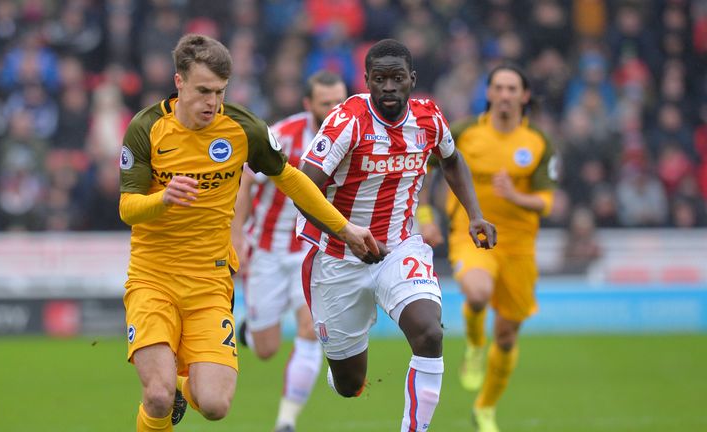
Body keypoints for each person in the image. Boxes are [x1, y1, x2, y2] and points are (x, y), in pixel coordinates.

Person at [118, 34, 381, 432]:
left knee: (215, 405)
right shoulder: (146, 128)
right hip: (153, 279)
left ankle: (180, 385)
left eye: (220, 92)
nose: (212, 102)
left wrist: (344, 229)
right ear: (179, 82)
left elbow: (291, 179)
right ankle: (166, 390)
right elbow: (127, 207)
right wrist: (163, 200)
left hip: (209, 284)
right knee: (156, 395)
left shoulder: (243, 128)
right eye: (203, 91)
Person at [297, 39, 496, 432]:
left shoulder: (429, 118)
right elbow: (304, 189)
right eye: (380, 79)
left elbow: (452, 160)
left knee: (428, 332)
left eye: (397, 78)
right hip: (339, 256)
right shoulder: (346, 121)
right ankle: (342, 370)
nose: (389, 86)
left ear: (412, 80)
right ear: (367, 80)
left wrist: (475, 214)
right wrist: (348, 232)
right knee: (350, 385)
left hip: (399, 246)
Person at [430, 64, 558, 432]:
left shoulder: (538, 142)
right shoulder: (465, 132)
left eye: (512, 88)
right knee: (478, 292)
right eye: (498, 87)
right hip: (473, 236)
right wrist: (425, 215)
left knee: (507, 334)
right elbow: (426, 168)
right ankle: (473, 344)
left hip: (519, 246)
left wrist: (515, 195)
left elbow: (547, 202)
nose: (504, 94)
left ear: (524, 96)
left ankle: (485, 408)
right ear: (489, 93)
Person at [231, 70, 348, 432]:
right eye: (325, 104)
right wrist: (236, 237)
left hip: (310, 249)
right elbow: (246, 180)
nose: (334, 110)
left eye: (339, 102)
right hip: (266, 249)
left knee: (311, 329)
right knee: (265, 348)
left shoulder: (352, 135)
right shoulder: (282, 135)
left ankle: (286, 420)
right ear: (308, 104)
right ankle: (249, 329)